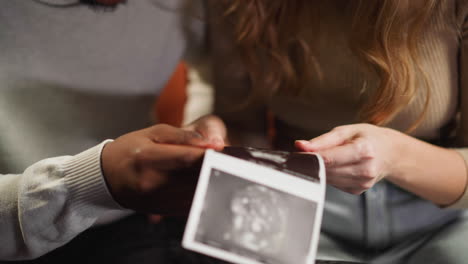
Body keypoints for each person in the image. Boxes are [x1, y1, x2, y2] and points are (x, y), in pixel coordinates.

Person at [184, 0, 468, 263]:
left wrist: (393, 157)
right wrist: (218, 144)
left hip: (444, 219)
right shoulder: (245, 5)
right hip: (298, 214)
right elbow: (242, 125)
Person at [0, 0, 223, 262]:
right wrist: (91, 182)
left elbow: (211, 72)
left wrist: (194, 138)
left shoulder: (190, 6)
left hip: (133, 215)